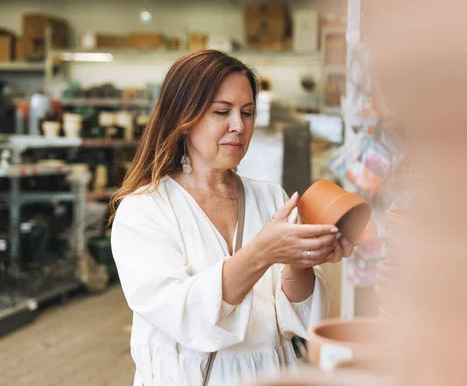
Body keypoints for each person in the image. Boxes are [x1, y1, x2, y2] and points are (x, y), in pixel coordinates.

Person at [109, 50, 355, 386]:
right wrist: (263, 252)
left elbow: (298, 321)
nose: (238, 126)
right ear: (184, 118)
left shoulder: (270, 197)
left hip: (269, 375)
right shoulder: (145, 210)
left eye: (248, 112)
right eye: (221, 112)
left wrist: (301, 260)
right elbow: (183, 315)